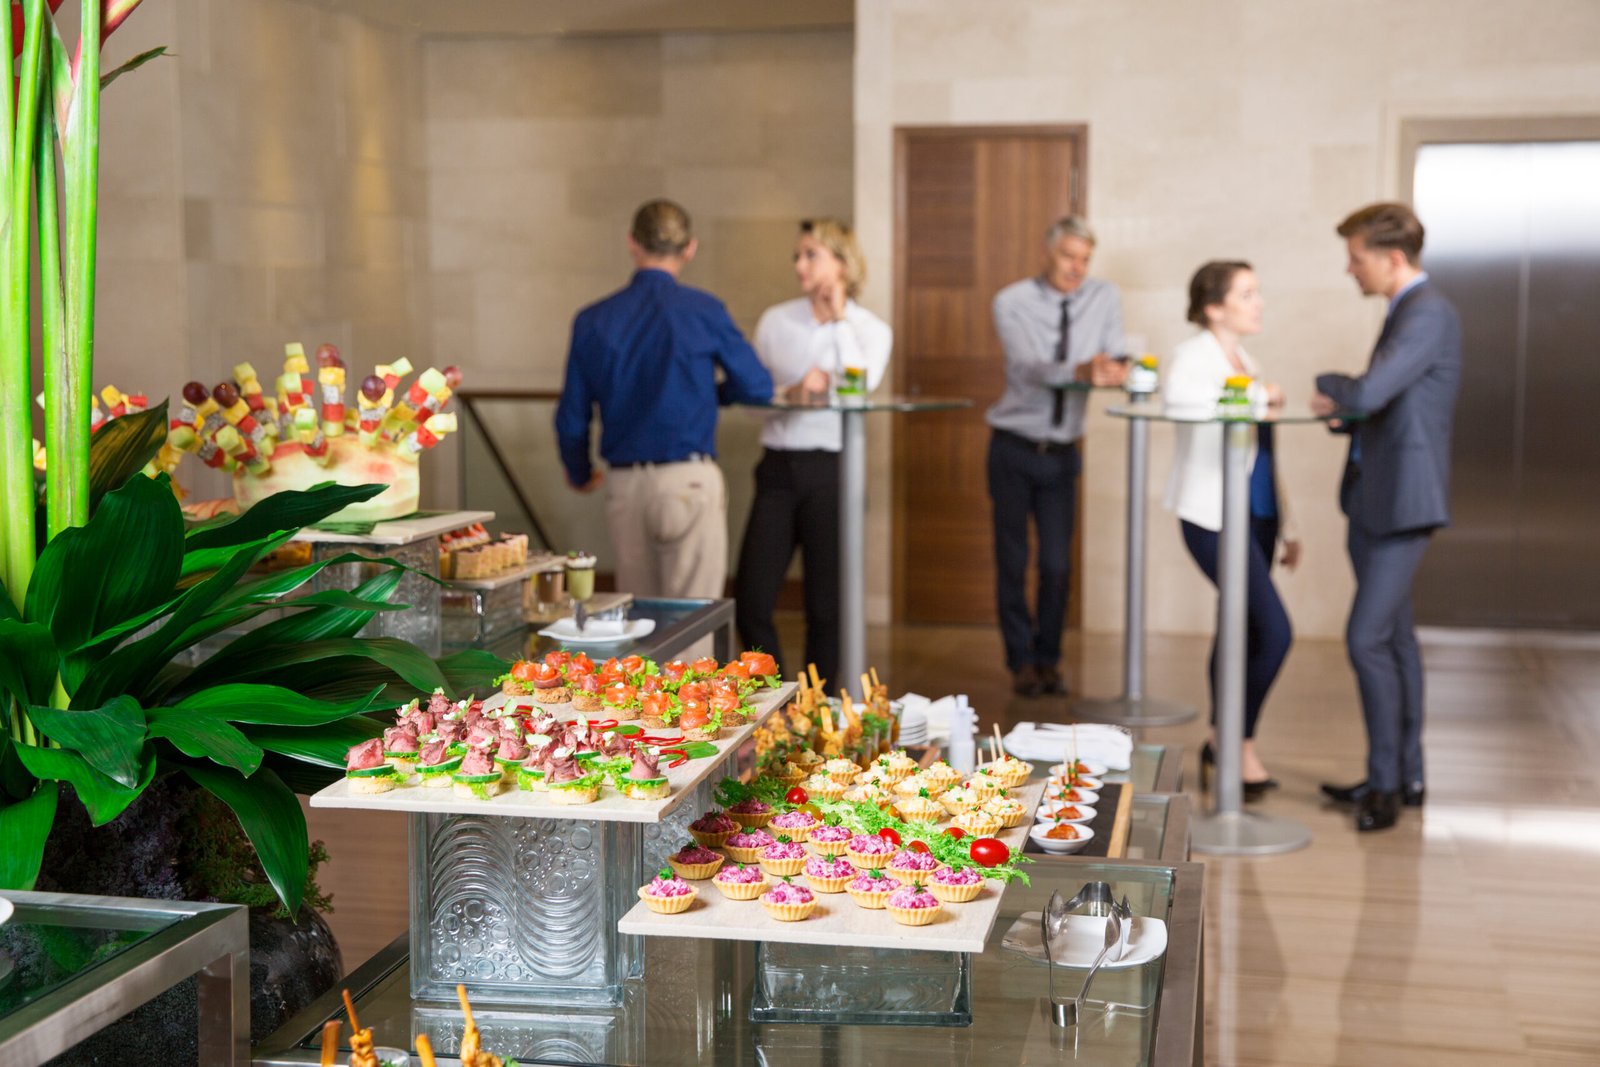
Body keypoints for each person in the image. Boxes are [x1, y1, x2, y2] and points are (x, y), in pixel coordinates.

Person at [1312, 202, 1461, 833]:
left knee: (1366, 638)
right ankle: (1404, 775)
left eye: (1357, 257)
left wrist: (1330, 383)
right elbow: (1389, 403)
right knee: (1394, 639)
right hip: (1379, 497)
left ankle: (1386, 787)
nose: (1350, 269)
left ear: (1392, 258)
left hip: (1403, 501)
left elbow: (1372, 390)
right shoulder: (1408, 311)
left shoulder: (1426, 312)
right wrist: (1351, 412)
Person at [555, 199, 774, 599]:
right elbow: (758, 386)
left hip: (625, 485)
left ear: (632, 243)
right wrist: (711, 394)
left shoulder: (593, 319)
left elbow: (571, 417)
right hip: (689, 481)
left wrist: (580, 471)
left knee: (639, 624)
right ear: (689, 248)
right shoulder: (704, 310)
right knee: (692, 624)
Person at [1163, 261, 1301, 800]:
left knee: (1239, 628)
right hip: (1212, 517)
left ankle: (1227, 743)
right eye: (1247, 294)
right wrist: (1259, 398)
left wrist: (1288, 525)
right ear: (1214, 307)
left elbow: (1265, 456)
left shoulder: (1246, 359)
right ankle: (1234, 741)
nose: (1258, 302)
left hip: (1259, 514)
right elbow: (1179, 401)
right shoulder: (1191, 359)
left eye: (1257, 293)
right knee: (1275, 631)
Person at [733, 219, 892, 687]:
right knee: (753, 598)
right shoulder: (776, 320)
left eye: (811, 255)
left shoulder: (870, 330)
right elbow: (753, 406)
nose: (799, 264)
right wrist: (791, 394)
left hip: (834, 472)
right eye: (798, 255)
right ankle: (773, 700)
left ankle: (816, 708)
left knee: (828, 605)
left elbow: (859, 391)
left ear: (841, 263)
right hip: (779, 470)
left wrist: (840, 320)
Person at [988, 216, 1127, 697]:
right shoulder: (1012, 302)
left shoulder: (1103, 298)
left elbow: (1116, 353)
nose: (1077, 268)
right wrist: (1083, 369)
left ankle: (1049, 657)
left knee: (1057, 564)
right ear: (1049, 252)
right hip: (1012, 445)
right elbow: (1028, 369)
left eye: (1085, 260)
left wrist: (1117, 368)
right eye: (1070, 257)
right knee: (1012, 558)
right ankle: (1020, 660)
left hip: (1063, 452)